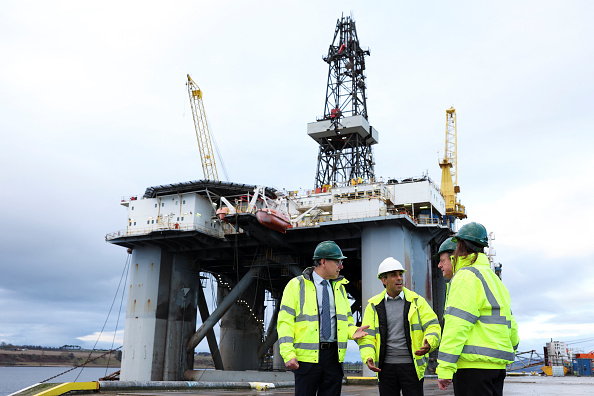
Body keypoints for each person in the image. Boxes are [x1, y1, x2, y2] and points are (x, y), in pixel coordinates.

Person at [436, 222, 519, 396]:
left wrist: (444, 368)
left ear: (457, 252)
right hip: (497, 368)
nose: (439, 265)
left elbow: (456, 325)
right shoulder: (495, 280)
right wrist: (511, 348)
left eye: (442, 260)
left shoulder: (466, 277)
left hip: (472, 367)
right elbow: (510, 324)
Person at [277, 241, 369, 396]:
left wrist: (353, 331)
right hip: (307, 360)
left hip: (334, 357)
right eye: (338, 261)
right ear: (323, 261)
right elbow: (285, 323)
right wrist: (288, 353)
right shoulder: (296, 286)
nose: (341, 266)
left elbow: (346, 322)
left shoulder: (340, 289)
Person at [358, 257, 441, 396]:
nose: (399, 278)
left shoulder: (417, 301)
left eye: (400, 274)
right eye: (393, 275)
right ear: (383, 280)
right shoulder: (373, 306)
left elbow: (433, 326)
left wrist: (430, 342)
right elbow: (367, 337)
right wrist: (368, 357)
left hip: (412, 367)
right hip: (385, 369)